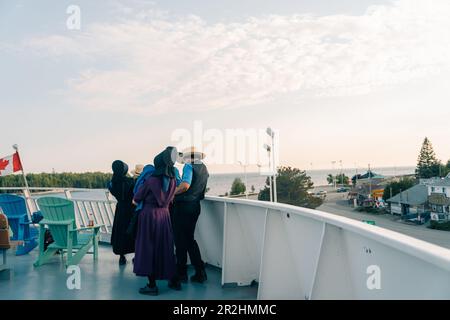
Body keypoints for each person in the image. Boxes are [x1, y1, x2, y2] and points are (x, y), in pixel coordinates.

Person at [133, 147, 180, 295]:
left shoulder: (150, 180)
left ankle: (151, 285)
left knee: (148, 249)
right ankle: (173, 280)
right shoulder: (173, 181)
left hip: (149, 216)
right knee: (165, 247)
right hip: (165, 216)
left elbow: (136, 200)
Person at [172, 146, 209, 283]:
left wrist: (172, 193)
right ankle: (200, 271)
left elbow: (185, 185)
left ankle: (181, 273)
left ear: (189, 157)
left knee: (180, 240)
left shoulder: (189, 166)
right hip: (195, 206)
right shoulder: (204, 168)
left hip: (183, 207)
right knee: (189, 240)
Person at [108, 160, 136, 265]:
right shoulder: (131, 181)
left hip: (120, 209)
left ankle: (121, 257)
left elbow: (113, 191)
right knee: (132, 231)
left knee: (120, 232)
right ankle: (136, 256)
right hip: (131, 209)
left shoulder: (113, 183)